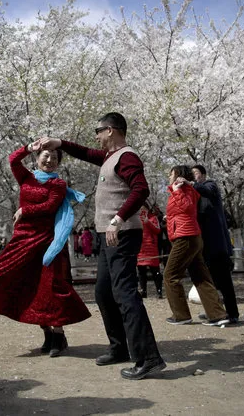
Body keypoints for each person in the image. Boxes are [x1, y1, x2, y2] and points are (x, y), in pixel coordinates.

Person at [38, 112, 165, 380]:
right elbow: (84, 152)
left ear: (111, 130)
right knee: (104, 293)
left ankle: (149, 358)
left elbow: (141, 189)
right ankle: (119, 348)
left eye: (98, 130)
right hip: (107, 236)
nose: (96, 136)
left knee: (125, 294)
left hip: (122, 234)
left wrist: (118, 219)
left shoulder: (127, 157)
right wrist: (58, 142)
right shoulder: (109, 158)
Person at [0, 142, 90, 357]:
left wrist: (25, 210)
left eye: (54, 158)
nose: (49, 160)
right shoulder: (26, 177)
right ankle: (47, 334)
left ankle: (58, 335)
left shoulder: (58, 184)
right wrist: (28, 147)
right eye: (45, 156)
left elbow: (50, 207)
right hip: (22, 241)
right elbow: (13, 159)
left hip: (46, 241)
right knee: (23, 285)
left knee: (50, 288)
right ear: (37, 157)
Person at [163, 165, 229, 327]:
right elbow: (182, 211)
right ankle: (217, 314)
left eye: (171, 174)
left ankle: (181, 315)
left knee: (170, 276)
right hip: (190, 236)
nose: (169, 177)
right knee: (200, 277)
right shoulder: (182, 190)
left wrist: (177, 191)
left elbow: (186, 207)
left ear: (178, 175)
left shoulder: (184, 190)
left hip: (185, 238)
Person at [191, 165, 239, 323]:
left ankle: (232, 314)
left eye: (195, 174)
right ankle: (216, 312)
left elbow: (207, 190)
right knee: (212, 282)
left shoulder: (210, 185)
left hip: (218, 245)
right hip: (206, 246)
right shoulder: (197, 195)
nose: (193, 177)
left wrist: (191, 184)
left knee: (224, 282)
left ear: (203, 175)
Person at [137, 207, 163, 299]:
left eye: (144, 209)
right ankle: (143, 291)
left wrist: (148, 222)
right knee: (141, 271)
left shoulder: (153, 218)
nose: (142, 211)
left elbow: (158, 230)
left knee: (155, 270)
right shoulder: (136, 219)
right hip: (140, 247)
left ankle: (159, 290)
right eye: (140, 209)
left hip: (151, 247)